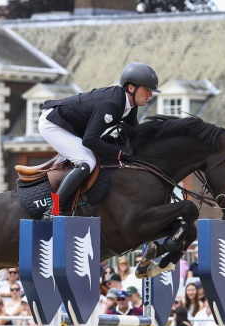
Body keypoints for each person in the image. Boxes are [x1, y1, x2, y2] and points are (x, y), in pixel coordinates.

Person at [38, 62, 159, 220]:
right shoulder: (111, 104)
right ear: (131, 88)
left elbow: (135, 133)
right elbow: (90, 140)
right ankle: (53, 209)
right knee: (87, 160)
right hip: (53, 124)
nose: (150, 94)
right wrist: (119, 152)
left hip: (72, 127)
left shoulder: (129, 104)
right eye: (147, 89)